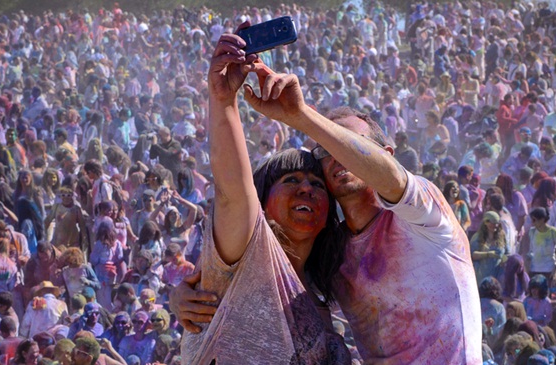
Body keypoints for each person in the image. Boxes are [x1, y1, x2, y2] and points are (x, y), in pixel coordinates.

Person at [177, 39, 482, 363]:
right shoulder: (334, 259)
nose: (337, 153)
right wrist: (184, 294)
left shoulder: (424, 219)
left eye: (348, 142)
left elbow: (392, 179)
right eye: (324, 150)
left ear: (388, 154)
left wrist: (302, 116)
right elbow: (234, 201)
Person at [178, 28, 350, 364]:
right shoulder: (245, 256)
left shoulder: (324, 293)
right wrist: (223, 100)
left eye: (317, 184)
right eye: (291, 179)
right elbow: (232, 193)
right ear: (262, 199)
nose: (306, 189)